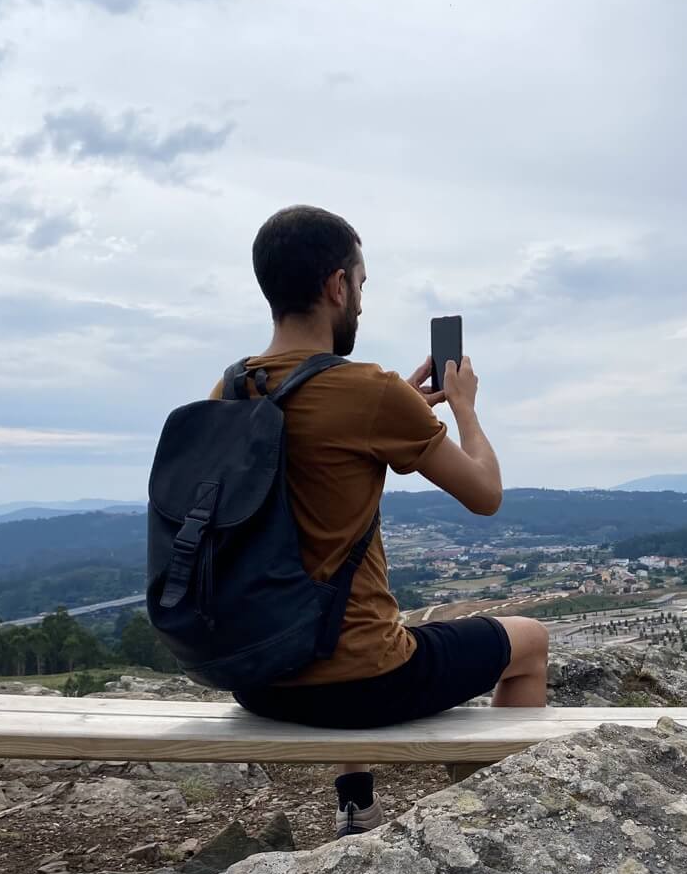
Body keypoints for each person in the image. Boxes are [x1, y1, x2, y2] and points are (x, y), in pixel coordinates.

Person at [218, 205, 549, 837]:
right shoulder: (369, 390)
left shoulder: (232, 388)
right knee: (529, 640)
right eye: (362, 286)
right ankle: (496, 829)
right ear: (337, 285)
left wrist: (401, 410)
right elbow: (485, 494)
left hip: (257, 677)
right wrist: (463, 409)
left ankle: (358, 803)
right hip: (362, 687)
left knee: (346, 612)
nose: (363, 305)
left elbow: (326, 448)